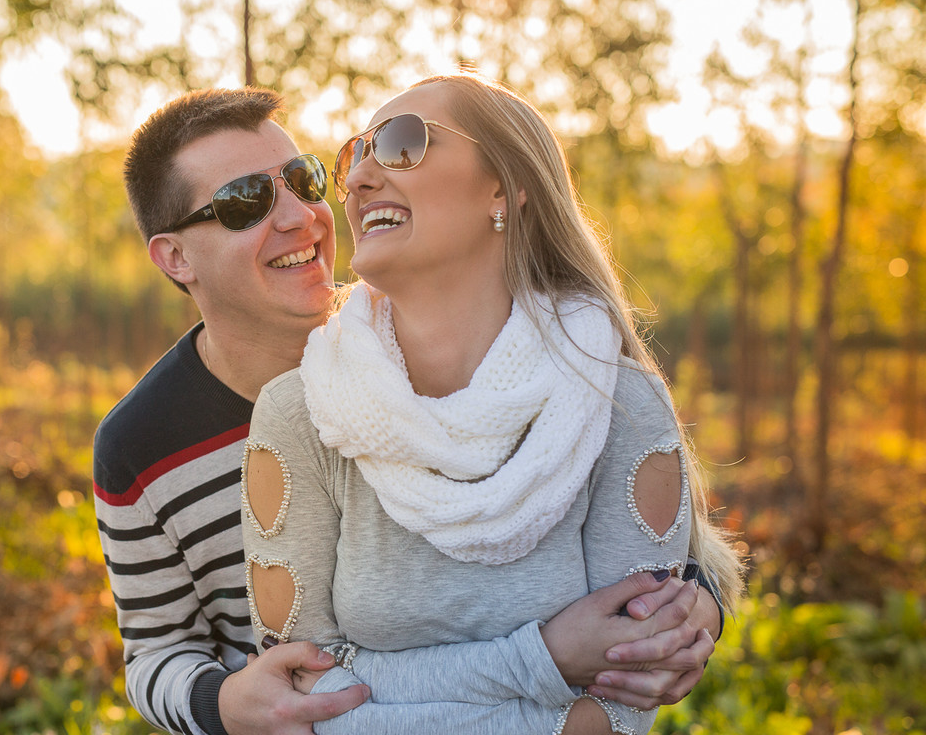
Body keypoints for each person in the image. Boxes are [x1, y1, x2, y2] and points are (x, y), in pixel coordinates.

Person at [94, 87, 728, 735]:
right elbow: (160, 651)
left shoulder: (441, 332)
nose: (304, 216)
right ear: (175, 258)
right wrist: (224, 705)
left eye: (306, 180)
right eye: (244, 203)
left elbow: (636, 590)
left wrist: (689, 605)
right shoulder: (145, 442)